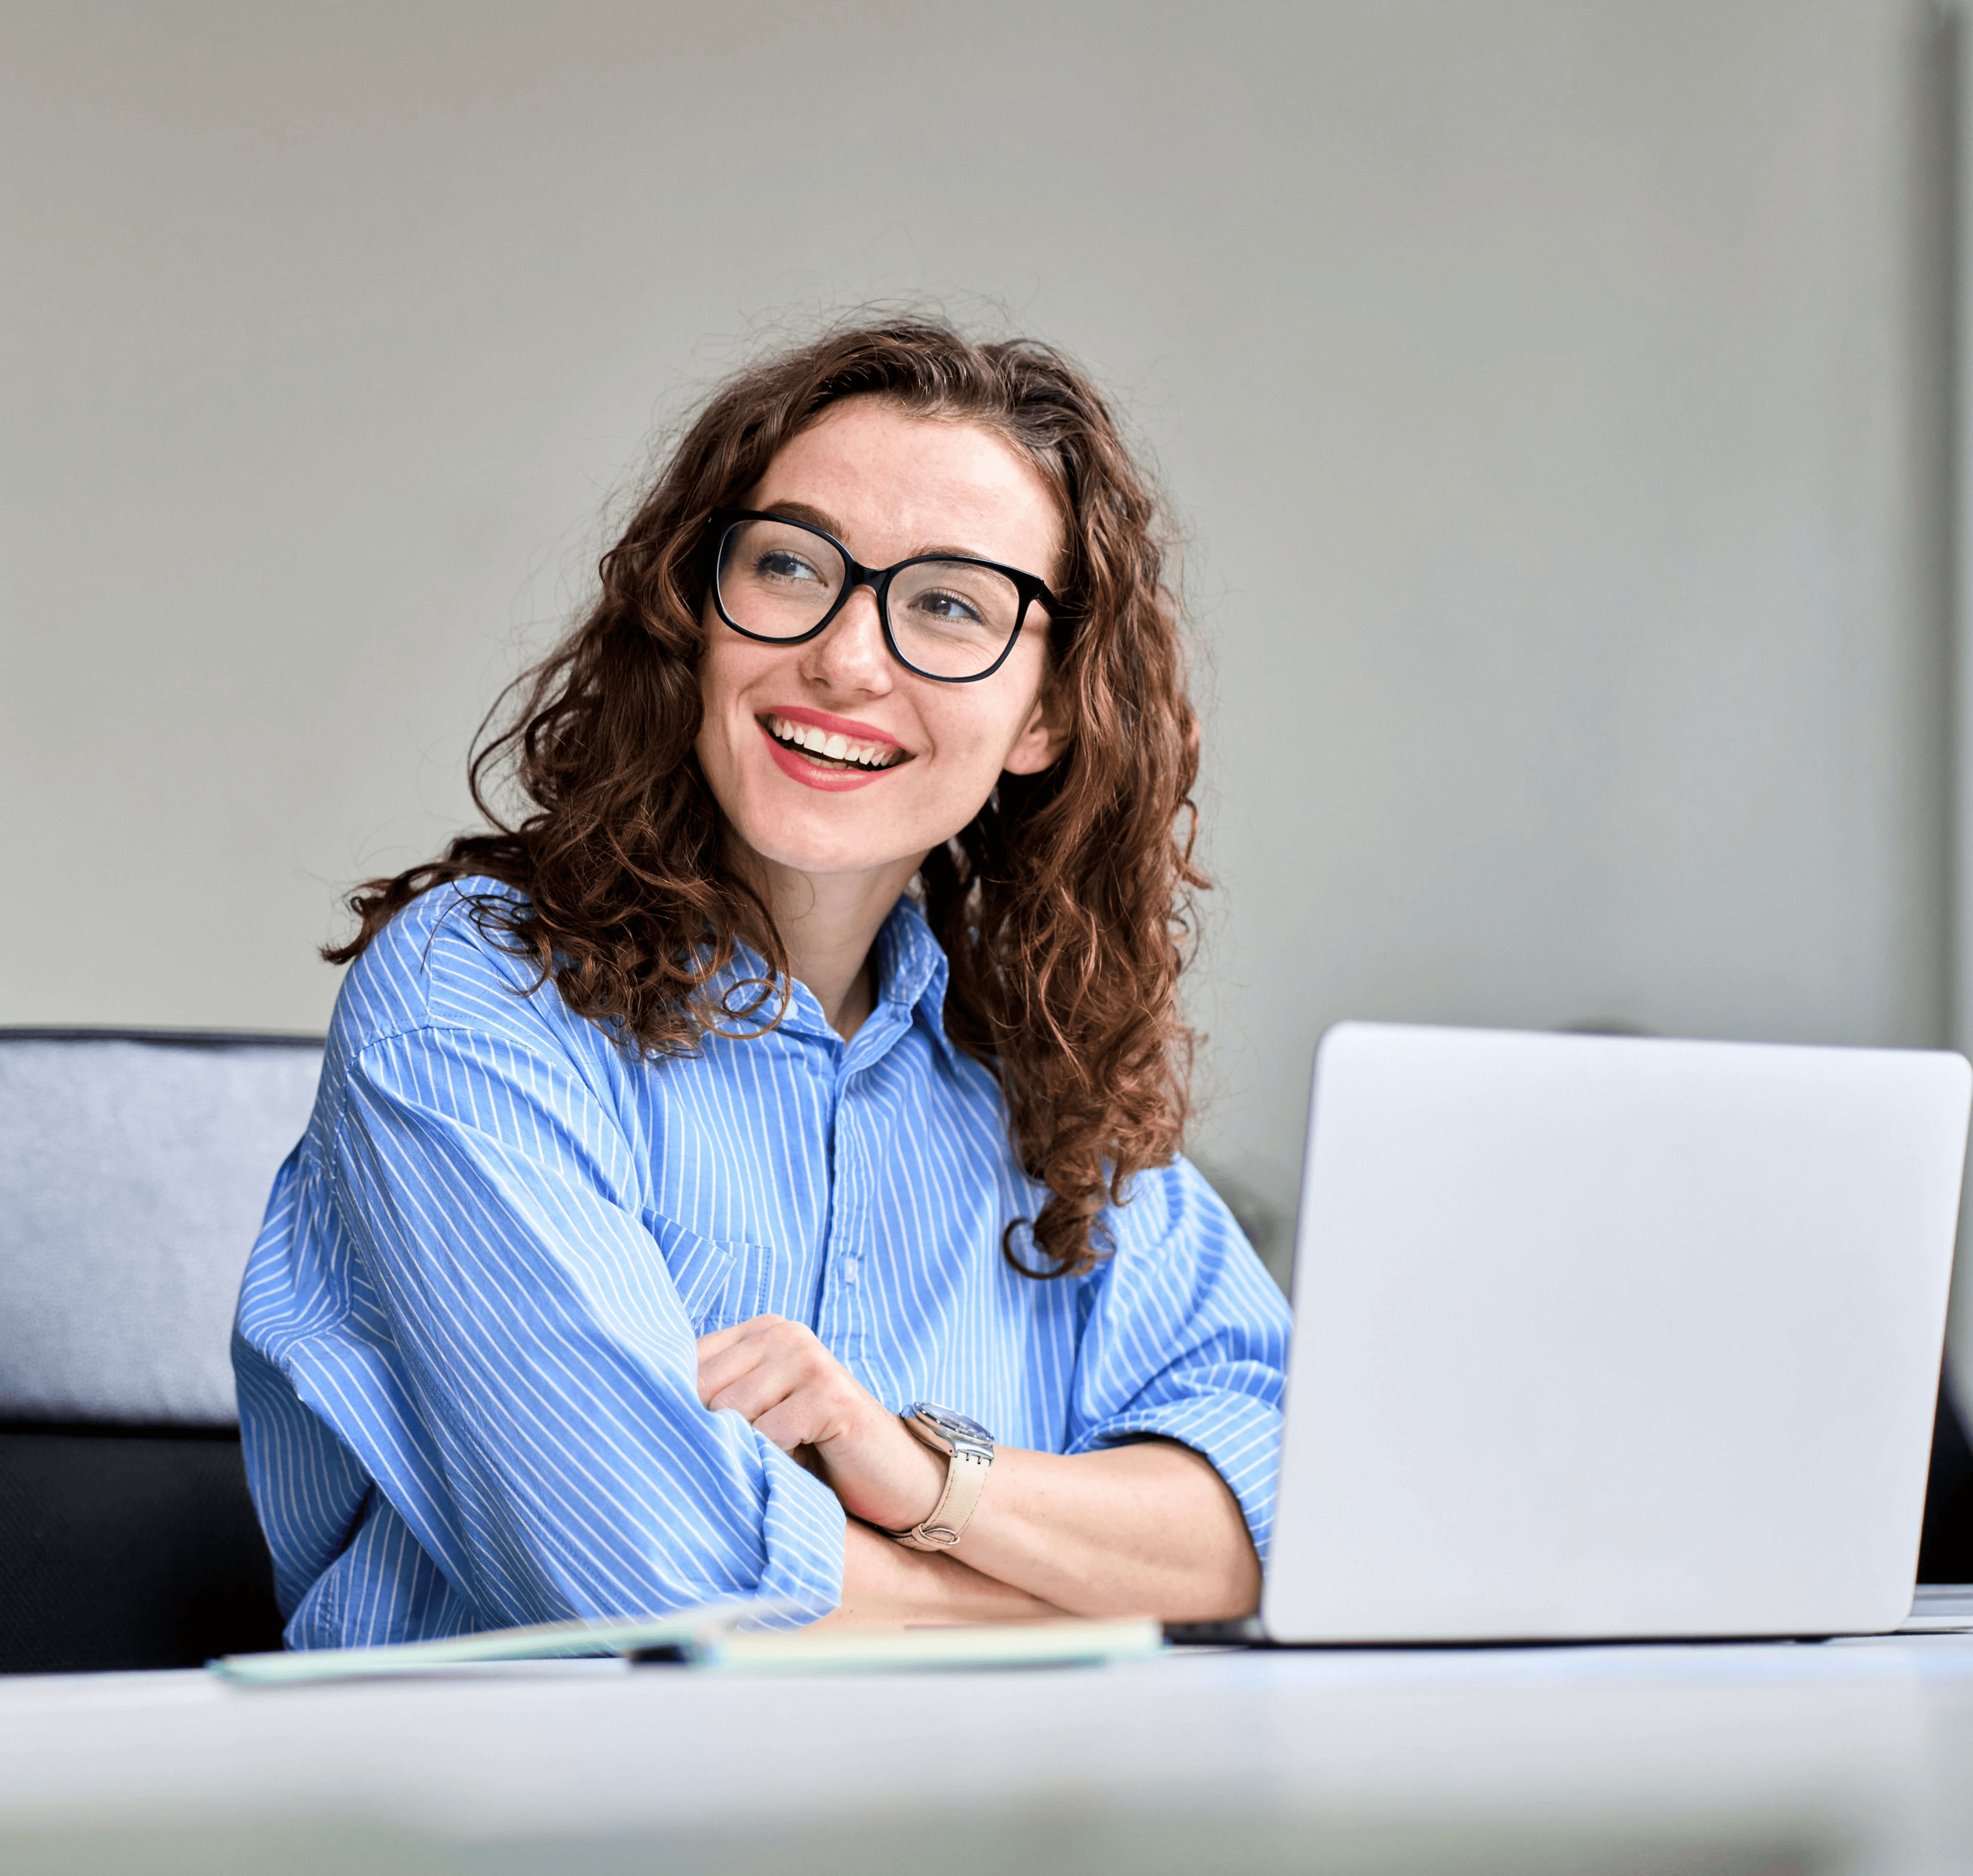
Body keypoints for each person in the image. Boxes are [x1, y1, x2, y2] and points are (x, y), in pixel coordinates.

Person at [233, 320, 1289, 1646]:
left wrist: (922, 1476)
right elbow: (655, 1580)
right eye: (791, 567)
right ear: (695, 620)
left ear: (1045, 715)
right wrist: (1066, 1590)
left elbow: (1276, 1509)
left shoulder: (1037, 1074)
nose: (849, 658)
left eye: (949, 604)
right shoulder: (472, 999)